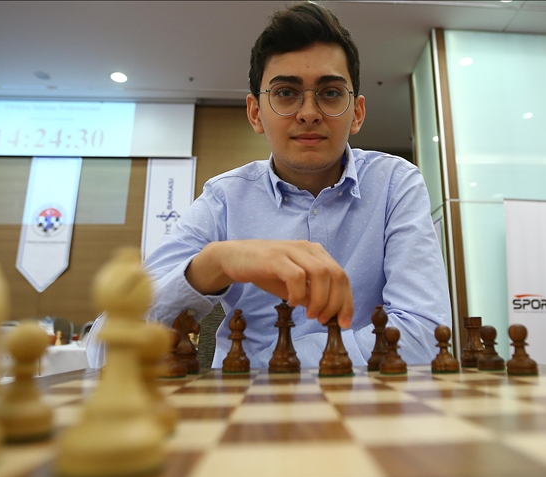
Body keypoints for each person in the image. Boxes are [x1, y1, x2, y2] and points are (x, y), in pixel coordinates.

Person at [87, 1, 450, 369]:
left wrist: (270, 362)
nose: (308, 113)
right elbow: (104, 348)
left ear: (356, 113)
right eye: (286, 93)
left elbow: (426, 336)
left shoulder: (395, 184)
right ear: (255, 113)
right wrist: (214, 264)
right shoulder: (224, 199)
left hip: (363, 402)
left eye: (330, 93)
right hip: (247, 405)